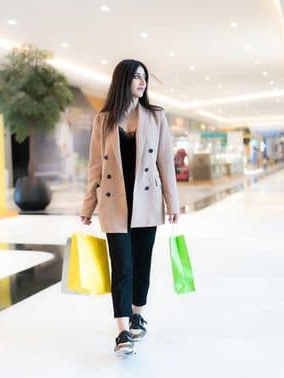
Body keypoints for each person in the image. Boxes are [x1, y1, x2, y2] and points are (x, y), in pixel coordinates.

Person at [79, 59, 180, 356]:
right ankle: (123, 331)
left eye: (144, 77)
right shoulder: (104, 119)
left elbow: (166, 163)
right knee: (121, 265)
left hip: (146, 202)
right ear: (123, 80)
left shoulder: (156, 116)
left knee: (141, 265)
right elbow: (95, 167)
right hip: (113, 203)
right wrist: (88, 205)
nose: (142, 82)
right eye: (136, 77)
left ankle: (138, 312)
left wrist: (172, 203)